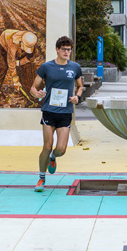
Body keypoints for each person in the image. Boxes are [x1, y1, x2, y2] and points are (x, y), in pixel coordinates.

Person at [27, 36, 83, 192]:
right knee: (47, 145)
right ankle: (41, 179)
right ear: (57, 49)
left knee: (61, 149)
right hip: (49, 111)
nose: (67, 52)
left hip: (65, 112)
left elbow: (80, 86)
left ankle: (53, 158)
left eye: (69, 50)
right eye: (64, 49)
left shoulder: (75, 67)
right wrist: (36, 94)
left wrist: (77, 97)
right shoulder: (46, 67)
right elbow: (33, 87)